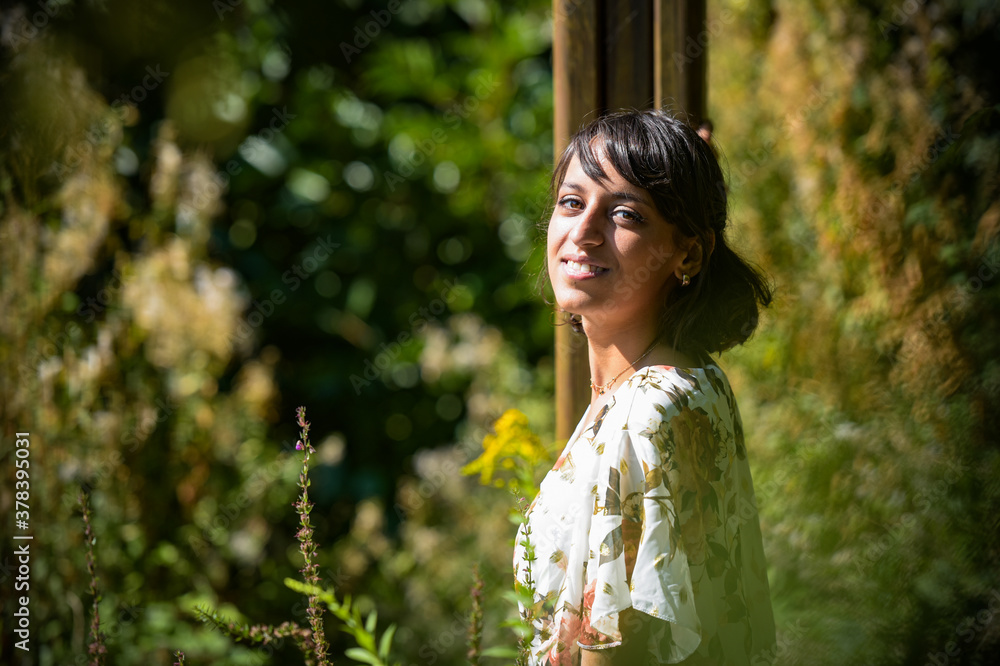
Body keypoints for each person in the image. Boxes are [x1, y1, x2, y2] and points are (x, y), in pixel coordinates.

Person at [513, 109, 776, 665]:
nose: (583, 232)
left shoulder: (646, 409)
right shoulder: (694, 381)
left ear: (689, 253)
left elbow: (618, 648)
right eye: (571, 202)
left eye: (624, 213)